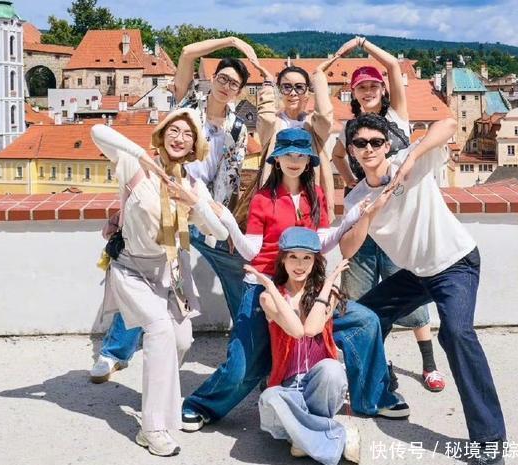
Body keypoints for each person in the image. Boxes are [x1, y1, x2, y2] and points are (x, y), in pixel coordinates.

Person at [181, 127, 408, 432]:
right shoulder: (263, 199)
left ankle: (373, 398)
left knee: (364, 322)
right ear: (276, 159)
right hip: (265, 289)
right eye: (287, 154)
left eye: (301, 155)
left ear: (308, 161)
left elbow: (322, 244)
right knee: (243, 366)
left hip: (307, 288)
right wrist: (229, 222)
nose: (294, 160)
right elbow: (250, 250)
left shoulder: (317, 197)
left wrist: (353, 218)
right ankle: (200, 405)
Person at [340, 113, 506, 465]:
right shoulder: (357, 199)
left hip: (455, 263)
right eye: (360, 143)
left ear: (387, 145)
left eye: (376, 142)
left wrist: (412, 157)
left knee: (457, 334)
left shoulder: (408, 162)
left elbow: (448, 123)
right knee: (361, 317)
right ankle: (376, 391)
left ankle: (490, 441)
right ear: (351, 150)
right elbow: (347, 248)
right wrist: (370, 213)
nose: (369, 149)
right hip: (417, 273)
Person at [91, 38, 257, 383]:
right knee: (149, 275)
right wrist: (232, 41)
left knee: (238, 273)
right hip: (164, 201)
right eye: (222, 78)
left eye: (234, 84)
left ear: (240, 91)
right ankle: (115, 353)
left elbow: (230, 175)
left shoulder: (238, 128)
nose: (226, 86)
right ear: (213, 79)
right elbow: (186, 53)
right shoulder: (188, 102)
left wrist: (219, 216)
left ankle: (248, 347)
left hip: (198, 204)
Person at [90, 108, 230, 456]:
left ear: (195, 146)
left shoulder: (191, 185)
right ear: (163, 134)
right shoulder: (133, 166)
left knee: (181, 340)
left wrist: (194, 203)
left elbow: (220, 232)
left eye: (188, 134)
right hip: (131, 269)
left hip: (171, 273)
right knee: (160, 330)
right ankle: (152, 427)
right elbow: (97, 131)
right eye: (174, 130)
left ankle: (162, 402)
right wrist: (142, 156)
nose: (180, 138)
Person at [332, 37, 443, 392]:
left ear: (382, 89)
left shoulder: (396, 117)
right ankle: (375, 363)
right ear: (353, 93)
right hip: (367, 221)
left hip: (400, 223)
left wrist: (363, 44)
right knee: (360, 298)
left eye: (372, 86)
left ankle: (429, 364)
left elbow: (394, 66)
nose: (367, 91)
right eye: (361, 87)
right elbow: (336, 156)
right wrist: (351, 183)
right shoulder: (350, 130)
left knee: (409, 295)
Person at [250, 227, 360, 465]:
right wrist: (272, 288)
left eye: (307, 258)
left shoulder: (329, 294)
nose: (299, 265)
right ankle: (336, 434)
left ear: (315, 261)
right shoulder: (269, 297)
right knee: (270, 397)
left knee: (332, 369)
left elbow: (310, 329)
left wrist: (328, 284)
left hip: (320, 387)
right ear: (283, 259)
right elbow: (296, 330)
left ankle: (303, 437)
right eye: (293, 257)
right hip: (288, 389)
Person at [234, 58, 337, 225]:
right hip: (276, 198)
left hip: (311, 197)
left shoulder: (313, 125)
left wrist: (318, 76)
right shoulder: (274, 125)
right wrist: (268, 83)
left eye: (299, 87)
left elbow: (325, 115)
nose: (293, 93)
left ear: (307, 91)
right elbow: (266, 117)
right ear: (280, 90)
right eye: (287, 87)